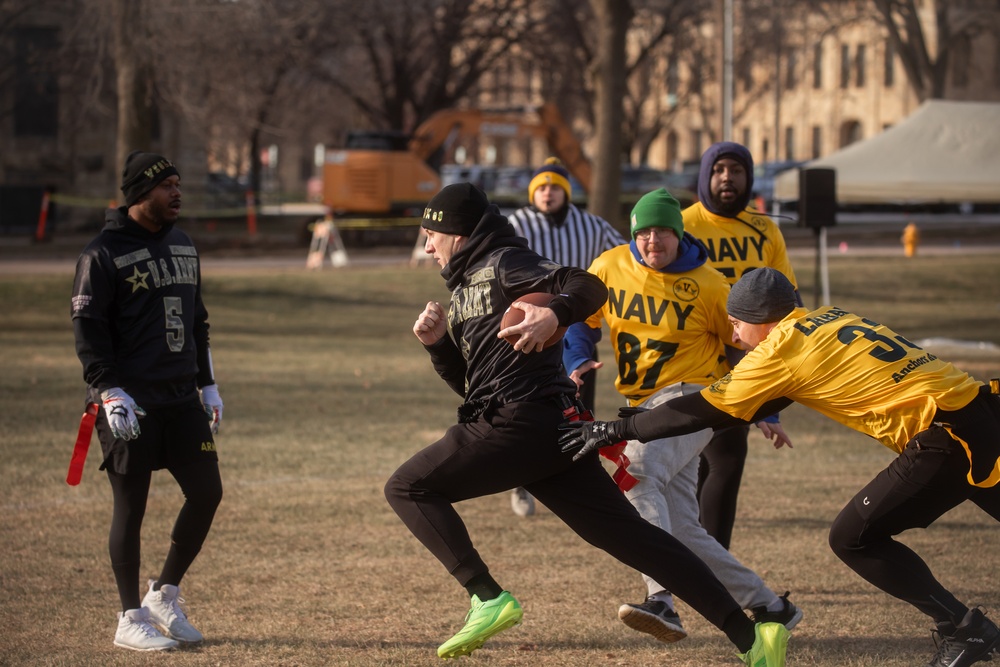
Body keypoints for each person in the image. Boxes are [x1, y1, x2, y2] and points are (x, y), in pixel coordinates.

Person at [383, 182, 790, 665]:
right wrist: (438, 346)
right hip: (548, 432)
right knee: (636, 538)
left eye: (431, 233)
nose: (427, 245)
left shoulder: (507, 262)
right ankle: (754, 641)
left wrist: (553, 313)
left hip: (521, 421)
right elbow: (472, 386)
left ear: (458, 231)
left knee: (408, 487)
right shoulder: (463, 292)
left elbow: (587, 285)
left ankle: (487, 597)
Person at [561, 267, 1000, 667]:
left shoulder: (781, 348)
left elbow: (705, 409)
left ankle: (963, 629)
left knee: (853, 539)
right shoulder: (832, 316)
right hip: (982, 409)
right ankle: (966, 631)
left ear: (762, 319)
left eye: (736, 320)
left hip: (945, 437)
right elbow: (764, 401)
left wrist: (620, 430)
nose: (732, 331)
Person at [562, 188, 800, 644]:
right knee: (686, 530)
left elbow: (744, 347)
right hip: (640, 405)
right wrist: (575, 359)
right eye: (645, 232)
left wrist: (763, 407)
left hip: (691, 398)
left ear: (679, 233)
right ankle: (772, 606)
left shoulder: (710, 284)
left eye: (664, 232)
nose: (654, 241)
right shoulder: (609, 267)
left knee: (638, 474)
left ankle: (662, 600)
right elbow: (579, 318)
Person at [71, 151, 224, 651]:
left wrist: (207, 383)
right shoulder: (102, 253)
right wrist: (108, 389)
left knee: (207, 491)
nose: (177, 193)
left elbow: (197, 321)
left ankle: (164, 593)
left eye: (178, 184)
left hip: (181, 397)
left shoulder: (184, 244)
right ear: (140, 193)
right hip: (129, 402)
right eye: (167, 186)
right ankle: (128, 617)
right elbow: (88, 333)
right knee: (130, 507)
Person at [682, 141, 799, 550]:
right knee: (689, 463)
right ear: (705, 176)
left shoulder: (766, 229)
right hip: (695, 354)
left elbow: (787, 301)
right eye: (719, 170)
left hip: (748, 354)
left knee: (727, 461)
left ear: (749, 177)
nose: (727, 178)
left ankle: (714, 558)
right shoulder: (682, 225)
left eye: (736, 170)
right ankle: (691, 556)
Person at [507, 157, 626, 517]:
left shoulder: (591, 225)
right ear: (533, 193)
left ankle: (583, 481)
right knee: (525, 405)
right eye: (541, 187)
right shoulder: (516, 224)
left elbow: (624, 255)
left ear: (566, 193)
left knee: (577, 404)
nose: (547, 193)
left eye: (555, 187)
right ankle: (520, 480)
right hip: (528, 321)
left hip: (576, 325)